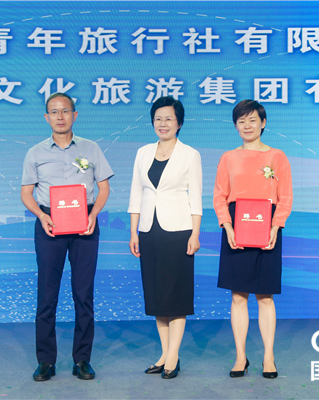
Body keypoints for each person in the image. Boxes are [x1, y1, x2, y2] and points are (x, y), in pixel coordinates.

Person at [21, 92, 114, 382]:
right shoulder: (35, 153)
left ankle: (82, 359)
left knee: (83, 294)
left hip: (84, 223)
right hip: (50, 224)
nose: (60, 116)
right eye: (54, 111)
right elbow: (26, 193)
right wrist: (41, 215)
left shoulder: (91, 148)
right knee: (47, 295)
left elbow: (104, 188)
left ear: (75, 115)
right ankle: (45, 361)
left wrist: (93, 214)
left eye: (65, 111)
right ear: (46, 117)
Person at [213, 100, 293, 379]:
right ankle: (240, 357)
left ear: (263, 123)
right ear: (235, 126)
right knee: (238, 296)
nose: (247, 126)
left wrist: (275, 226)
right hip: (236, 227)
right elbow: (220, 196)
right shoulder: (228, 158)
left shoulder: (277, 157)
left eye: (252, 120)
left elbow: (285, 197)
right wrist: (227, 226)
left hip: (267, 226)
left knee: (265, 296)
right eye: (241, 121)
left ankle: (268, 357)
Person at [128, 96, 202, 379]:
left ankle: (173, 356)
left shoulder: (190, 154)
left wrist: (195, 233)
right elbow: (136, 193)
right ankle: (164, 354)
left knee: (176, 295)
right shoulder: (143, 152)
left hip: (179, 232)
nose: (163, 123)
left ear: (179, 123)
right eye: (158, 119)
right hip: (149, 231)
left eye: (169, 119)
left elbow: (196, 197)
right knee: (158, 296)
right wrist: (133, 231)